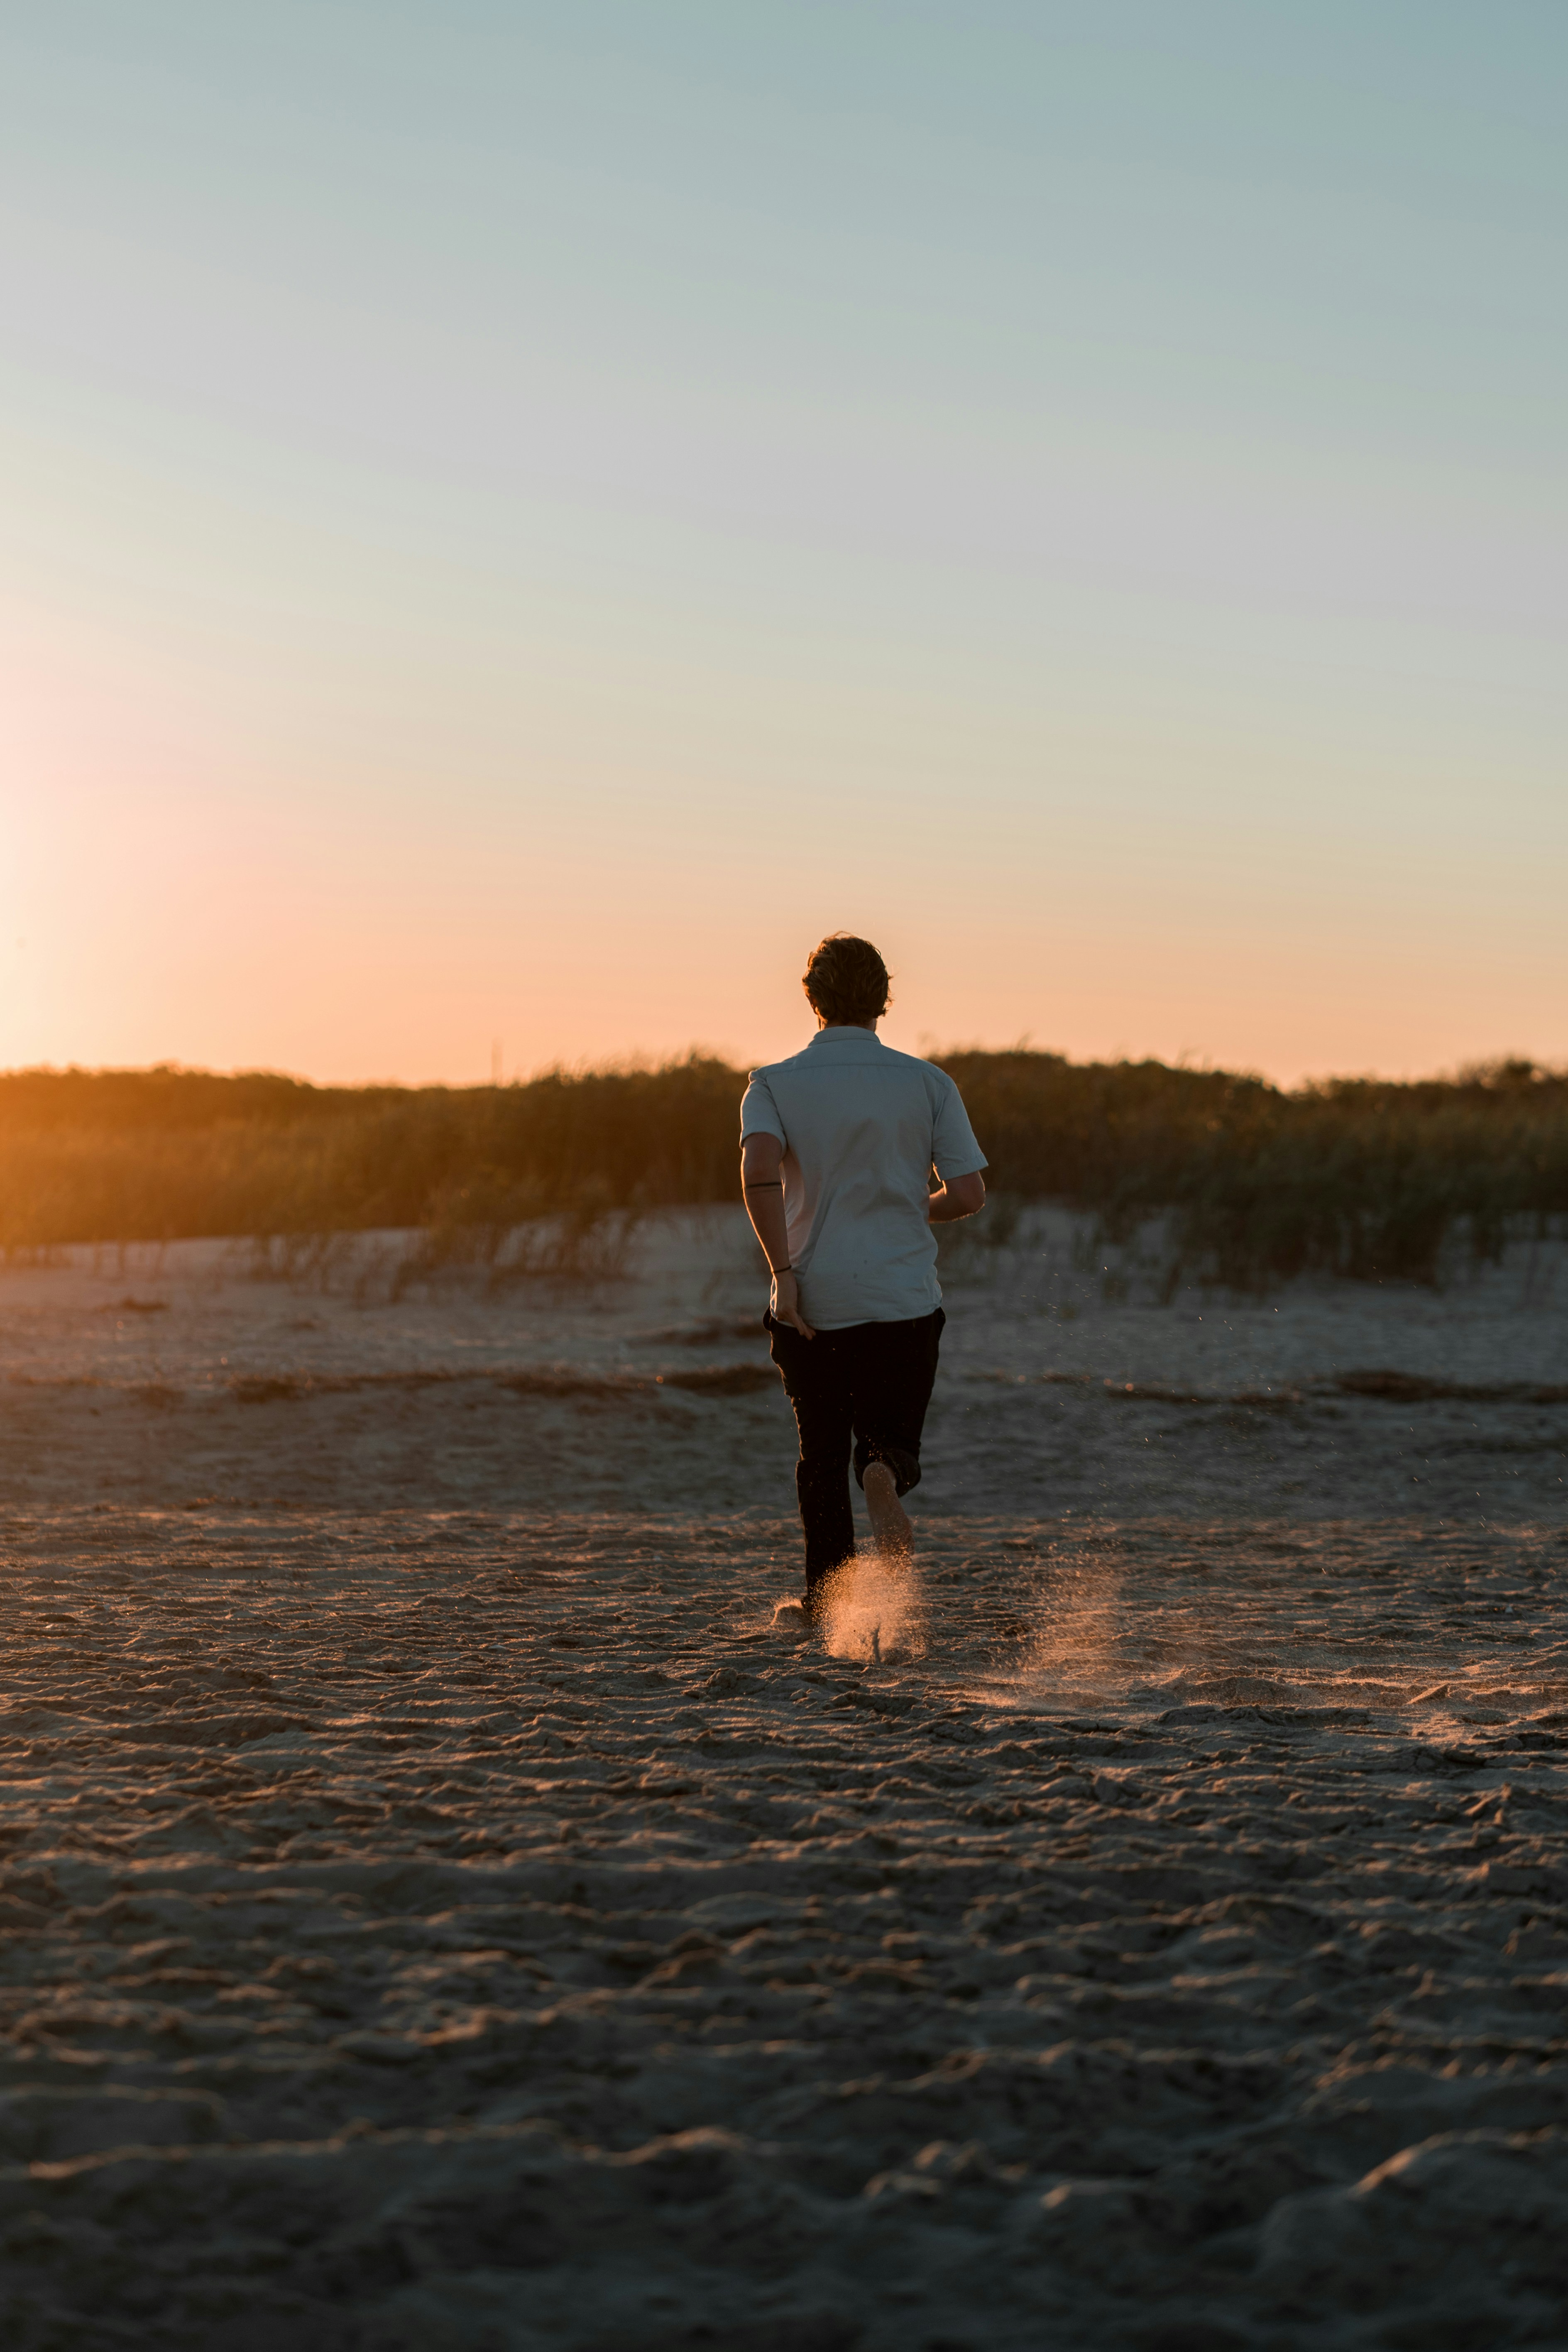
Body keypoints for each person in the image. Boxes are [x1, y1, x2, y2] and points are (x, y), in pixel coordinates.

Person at [739, 934, 987, 1619]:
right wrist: (913, 1210)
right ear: (883, 999)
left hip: (812, 1298)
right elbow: (968, 1194)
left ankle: (826, 1608)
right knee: (889, 1437)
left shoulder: (773, 1083)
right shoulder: (928, 1083)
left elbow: (759, 1168)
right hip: (902, 1297)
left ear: (812, 997)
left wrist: (781, 1271)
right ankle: (883, 1472)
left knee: (819, 1458)